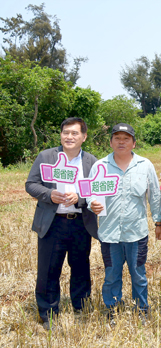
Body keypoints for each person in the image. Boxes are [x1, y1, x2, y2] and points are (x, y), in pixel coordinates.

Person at [25, 117, 98, 331]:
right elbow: (31, 184)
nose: (69, 137)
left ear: (84, 137)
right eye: (66, 132)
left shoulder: (92, 161)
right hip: (52, 222)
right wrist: (49, 194)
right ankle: (48, 313)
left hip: (80, 223)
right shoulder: (46, 156)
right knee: (48, 269)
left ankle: (81, 308)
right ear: (61, 135)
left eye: (75, 133)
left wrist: (81, 198)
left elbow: (96, 190)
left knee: (81, 267)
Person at [88, 123, 161, 323]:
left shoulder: (145, 165)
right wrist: (91, 203)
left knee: (138, 274)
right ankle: (112, 308)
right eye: (117, 138)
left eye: (126, 138)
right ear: (111, 142)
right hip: (109, 233)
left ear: (134, 143)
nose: (121, 142)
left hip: (136, 233)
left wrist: (158, 221)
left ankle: (142, 309)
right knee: (112, 275)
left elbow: (154, 195)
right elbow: (90, 194)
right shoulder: (100, 166)